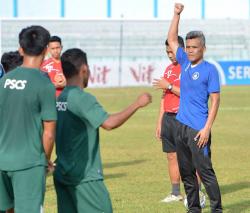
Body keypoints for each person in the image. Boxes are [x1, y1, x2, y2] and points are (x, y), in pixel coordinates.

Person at [53, 48, 152, 213]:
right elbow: (109, 123)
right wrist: (137, 104)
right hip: (85, 178)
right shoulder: (81, 98)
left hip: (62, 174)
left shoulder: (60, 98)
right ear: (84, 69)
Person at [167, 3, 222, 213]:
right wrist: (176, 15)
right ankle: (193, 209)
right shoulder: (184, 62)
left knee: (205, 172)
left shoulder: (210, 70)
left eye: (194, 47)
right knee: (187, 173)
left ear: (203, 49)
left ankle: (216, 209)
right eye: (188, 47)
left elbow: (215, 101)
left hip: (198, 129)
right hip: (180, 126)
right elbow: (172, 39)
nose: (189, 50)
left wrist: (207, 128)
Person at [0, 25, 57, 213]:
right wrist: (45, 161)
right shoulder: (44, 84)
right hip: (28, 163)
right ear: (46, 49)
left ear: (21, 49)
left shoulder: (3, 81)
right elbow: (49, 133)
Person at [153, 37, 184, 203]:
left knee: (191, 157)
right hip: (168, 119)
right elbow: (164, 97)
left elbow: (189, 93)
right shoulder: (168, 69)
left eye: (172, 51)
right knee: (171, 156)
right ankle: (175, 193)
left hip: (184, 118)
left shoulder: (189, 68)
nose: (170, 55)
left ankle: (198, 191)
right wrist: (159, 122)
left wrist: (170, 86)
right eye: (167, 52)